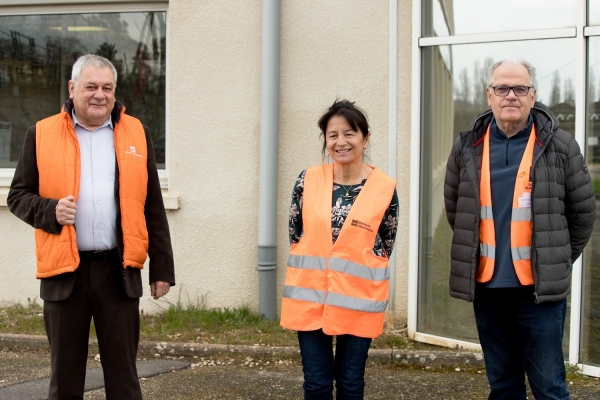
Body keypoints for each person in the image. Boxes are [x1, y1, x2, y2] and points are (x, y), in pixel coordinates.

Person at [7, 54, 175, 400]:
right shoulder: (40, 133)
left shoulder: (137, 134)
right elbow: (18, 196)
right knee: (65, 379)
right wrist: (50, 210)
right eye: (91, 87)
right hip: (64, 272)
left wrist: (162, 268)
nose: (100, 95)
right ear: (72, 88)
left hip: (119, 270)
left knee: (124, 378)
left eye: (107, 88)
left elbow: (152, 207)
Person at [444, 59, 596, 399]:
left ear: (533, 95)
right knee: (502, 385)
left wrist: (552, 257)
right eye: (502, 88)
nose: (510, 95)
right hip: (487, 290)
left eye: (520, 88)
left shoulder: (560, 147)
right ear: (489, 95)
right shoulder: (468, 147)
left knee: (550, 387)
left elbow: (583, 214)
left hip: (537, 294)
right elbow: (458, 212)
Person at [280, 99, 399, 400]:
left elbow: (385, 244)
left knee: (350, 383)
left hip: (359, 301)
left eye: (349, 133)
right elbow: (296, 234)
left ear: (365, 138)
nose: (341, 142)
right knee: (317, 385)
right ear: (325, 140)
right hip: (310, 298)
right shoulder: (307, 180)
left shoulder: (384, 187)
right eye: (333, 135)